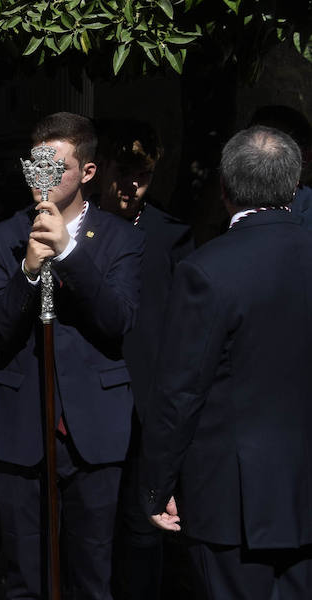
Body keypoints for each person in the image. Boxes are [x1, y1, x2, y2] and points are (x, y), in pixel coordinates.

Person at [0, 112, 144, 599]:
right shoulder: (2, 237)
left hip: (93, 426)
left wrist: (70, 254)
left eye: (58, 166)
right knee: (24, 575)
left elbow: (119, 321)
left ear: (87, 173)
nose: (42, 177)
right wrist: (26, 273)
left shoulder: (121, 238)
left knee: (91, 572)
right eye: (35, 165)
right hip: (20, 423)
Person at [140, 126, 312, 599]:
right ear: (294, 186)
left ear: (223, 189)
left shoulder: (207, 269)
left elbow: (180, 391)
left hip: (233, 500)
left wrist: (157, 484)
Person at [92, 120, 194, 600]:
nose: (132, 184)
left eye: (144, 174)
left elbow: (183, 331)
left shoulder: (170, 237)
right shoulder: (78, 226)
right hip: (87, 397)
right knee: (89, 529)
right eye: (124, 170)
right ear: (103, 168)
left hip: (145, 404)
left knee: (140, 530)